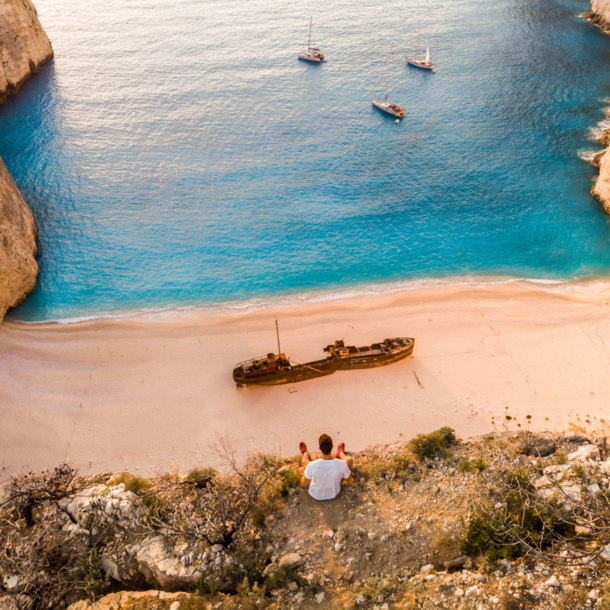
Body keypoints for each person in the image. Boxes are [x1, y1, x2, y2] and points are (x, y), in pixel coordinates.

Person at [299, 434, 354, 501]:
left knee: (305, 463)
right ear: (332, 446)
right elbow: (348, 480)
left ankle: (305, 454)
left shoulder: (312, 465)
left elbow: (304, 484)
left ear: (319, 448)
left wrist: (304, 474)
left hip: (316, 494)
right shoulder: (342, 464)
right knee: (349, 460)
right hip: (333, 493)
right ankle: (340, 453)